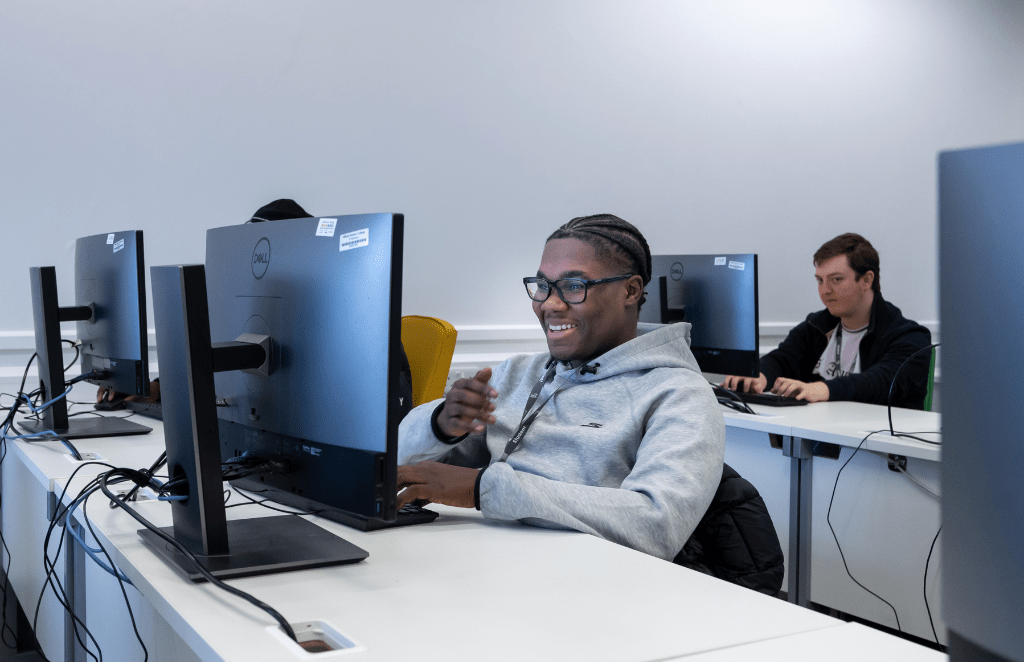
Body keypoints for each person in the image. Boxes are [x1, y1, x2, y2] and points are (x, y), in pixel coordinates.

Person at [396, 214, 725, 562]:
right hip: (492, 566)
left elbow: (657, 524)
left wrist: (482, 489)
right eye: (543, 286)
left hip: (595, 587)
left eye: (573, 286)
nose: (549, 304)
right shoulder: (516, 374)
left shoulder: (679, 395)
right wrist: (439, 427)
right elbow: (398, 466)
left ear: (630, 290)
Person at [98, 199, 414, 419]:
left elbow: (391, 413)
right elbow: (226, 371)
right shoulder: (261, 313)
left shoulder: (357, 321)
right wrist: (155, 391)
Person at [721, 233, 932, 409]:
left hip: (877, 449)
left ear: (867, 280)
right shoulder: (816, 326)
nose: (825, 291)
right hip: (819, 438)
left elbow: (880, 382)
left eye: (836, 279)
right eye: (820, 280)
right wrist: (759, 376)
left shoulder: (910, 337)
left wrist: (820, 389)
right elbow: (783, 359)